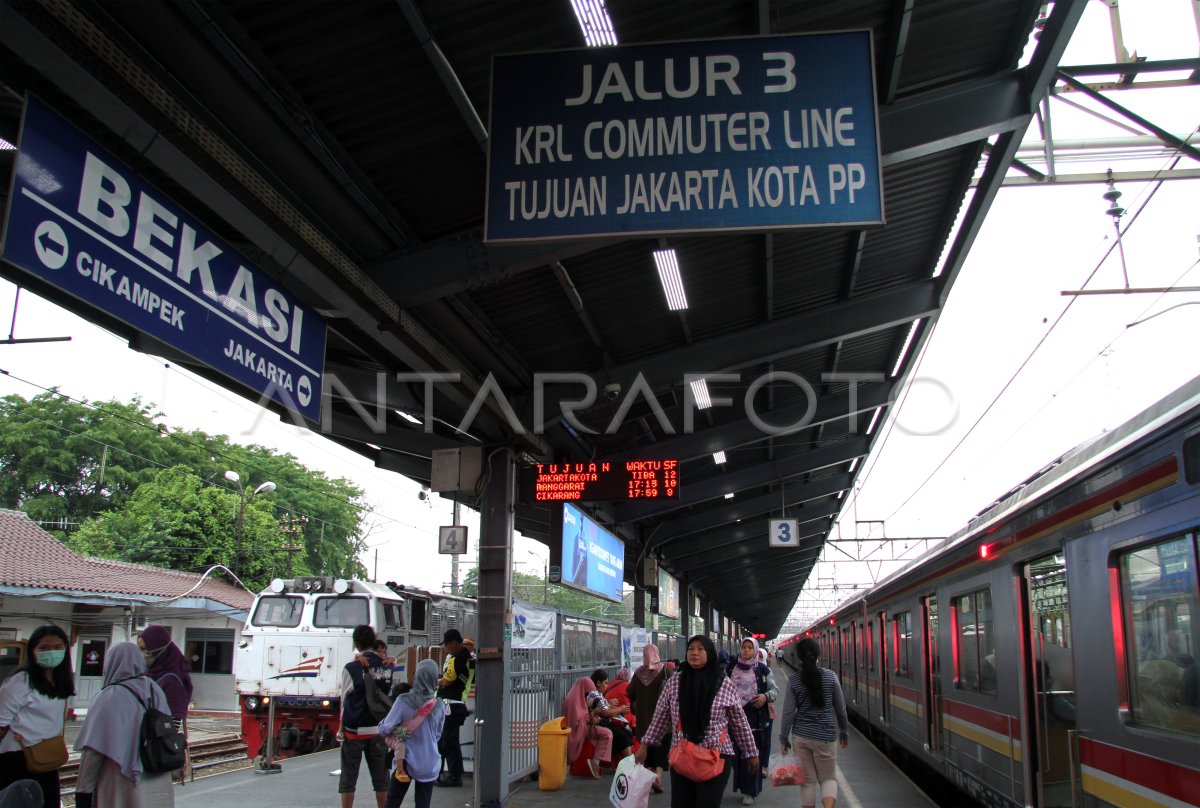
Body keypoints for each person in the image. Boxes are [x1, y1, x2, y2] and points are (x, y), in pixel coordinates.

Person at [636, 635, 760, 808]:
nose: (695, 653)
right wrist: (644, 746)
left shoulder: (725, 684)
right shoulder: (674, 683)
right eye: (691, 649)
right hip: (682, 757)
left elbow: (739, 722)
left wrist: (751, 753)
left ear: (710, 653)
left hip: (716, 757)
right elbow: (659, 718)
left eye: (701, 649)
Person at [73, 642, 175, 807]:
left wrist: (83, 792)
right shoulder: (155, 690)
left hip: (119, 780)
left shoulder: (108, 697)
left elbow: (93, 751)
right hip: (157, 776)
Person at [0, 625, 74, 808]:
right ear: (32, 651)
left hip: (48, 758)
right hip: (18, 759)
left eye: (57, 647)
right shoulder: (20, 682)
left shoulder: (61, 682)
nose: (51, 652)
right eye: (44, 648)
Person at [779, 638, 849, 808]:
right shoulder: (831, 677)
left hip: (801, 737)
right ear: (818, 654)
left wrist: (783, 738)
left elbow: (788, 712)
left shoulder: (794, 681)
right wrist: (844, 730)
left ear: (799, 657)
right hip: (825, 736)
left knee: (808, 782)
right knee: (828, 779)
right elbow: (840, 708)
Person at [338, 624, 393, 808]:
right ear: (373, 641)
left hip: (354, 731)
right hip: (378, 729)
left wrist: (340, 729)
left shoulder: (351, 668)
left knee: (348, 779)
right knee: (381, 779)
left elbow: (344, 701)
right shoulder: (387, 666)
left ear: (356, 643)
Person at [379, 659, 445, 808]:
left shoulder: (403, 701)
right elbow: (438, 735)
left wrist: (383, 726)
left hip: (406, 761)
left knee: (393, 801)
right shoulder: (439, 705)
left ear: (417, 677)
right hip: (429, 762)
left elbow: (386, 729)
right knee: (423, 804)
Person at [725, 638, 778, 806]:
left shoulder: (762, 669)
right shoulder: (731, 668)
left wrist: (765, 697)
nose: (746, 650)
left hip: (755, 719)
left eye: (749, 648)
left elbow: (774, 690)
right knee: (736, 757)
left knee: (752, 755)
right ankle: (742, 787)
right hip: (734, 719)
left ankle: (750, 791)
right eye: (744, 647)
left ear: (755, 650)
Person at [628, 643, 671, 794]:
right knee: (662, 749)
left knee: (649, 751)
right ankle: (658, 777)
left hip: (644, 719)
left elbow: (630, 692)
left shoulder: (639, 673)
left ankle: (650, 776)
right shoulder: (666, 670)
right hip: (664, 721)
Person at [435, 629, 472, 787]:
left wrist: (436, 681)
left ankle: (453, 776)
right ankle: (450, 773)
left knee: (447, 742)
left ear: (454, 643)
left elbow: (447, 681)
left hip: (451, 704)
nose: (446, 648)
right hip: (457, 705)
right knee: (451, 740)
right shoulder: (467, 658)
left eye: (447, 645)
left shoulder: (457, 659)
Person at [563, 677, 612, 779]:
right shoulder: (574, 701)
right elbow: (578, 721)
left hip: (581, 728)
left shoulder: (575, 697)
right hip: (577, 731)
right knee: (607, 734)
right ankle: (596, 761)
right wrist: (593, 715)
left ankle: (596, 762)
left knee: (606, 733)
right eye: (588, 692)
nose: (589, 695)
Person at [586, 669, 634, 763]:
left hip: (602, 721)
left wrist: (614, 706)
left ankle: (624, 764)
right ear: (599, 683)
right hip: (599, 723)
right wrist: (620, 709)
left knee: (626, 734)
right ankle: (629, 765)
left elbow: (605, 706)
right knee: (623, 736)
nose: (607, 686)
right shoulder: (595, 695)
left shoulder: (597, 694)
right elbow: (605, 712)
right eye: (605, 683)